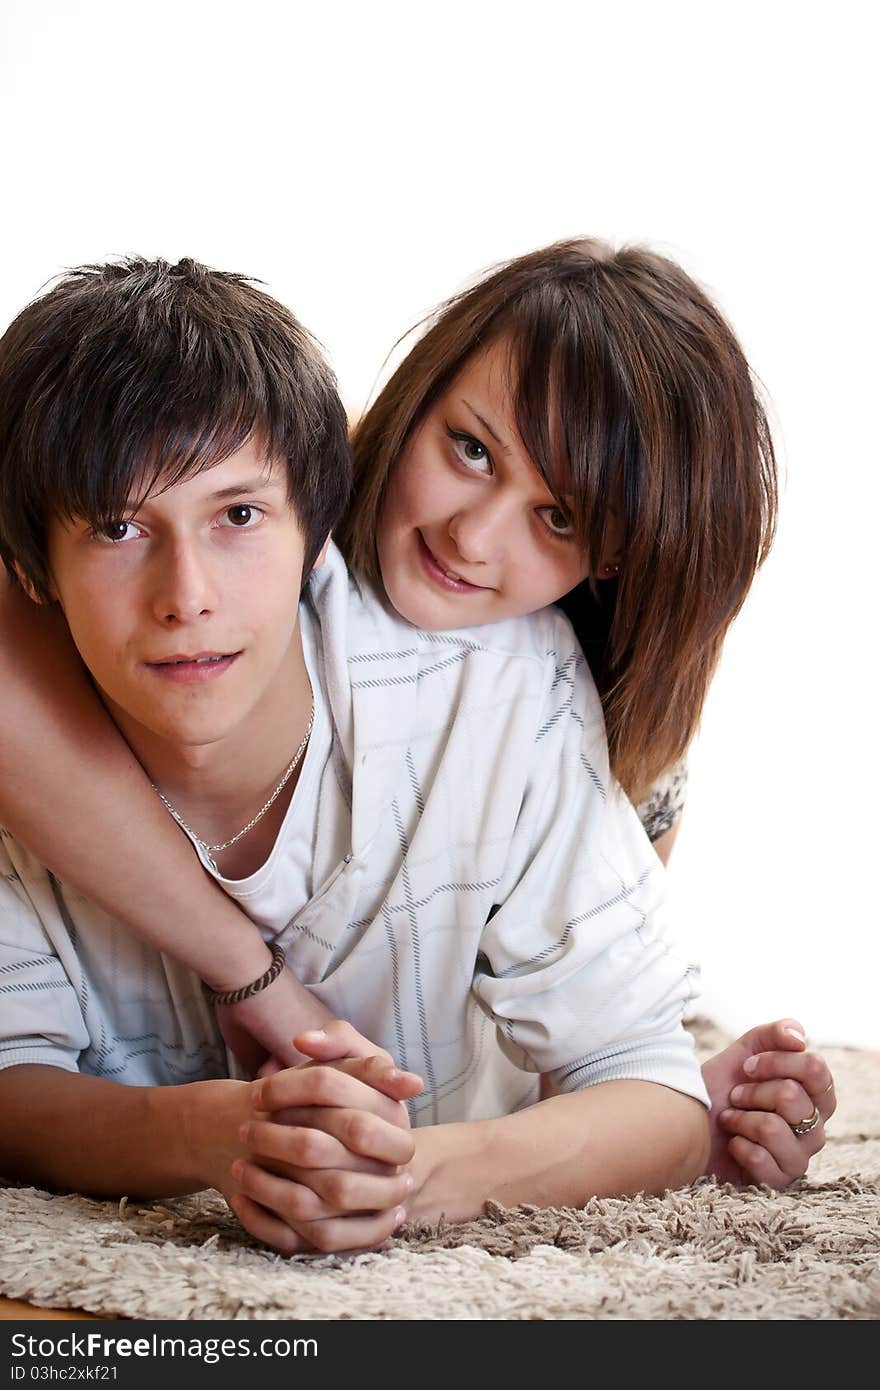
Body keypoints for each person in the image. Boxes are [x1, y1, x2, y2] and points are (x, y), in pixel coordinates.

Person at [0, 254, 832, 1246]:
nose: (471, 538)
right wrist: (246, 1027)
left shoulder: (518, 677)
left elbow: (635, 1074)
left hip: (576, 796)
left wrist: (424, 1165)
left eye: (557, 516)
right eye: (472, 449)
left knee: (603, 950)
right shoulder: (225, 498)